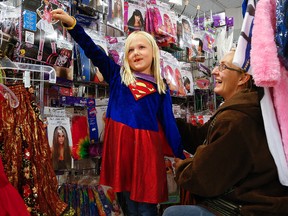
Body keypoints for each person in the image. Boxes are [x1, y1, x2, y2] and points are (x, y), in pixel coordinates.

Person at [51, 9, 185, 216]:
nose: (136, 53)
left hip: (147, 152)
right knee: (127, 204)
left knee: (147, 206)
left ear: (153, 52)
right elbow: (93, 51)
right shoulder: (117, 76)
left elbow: (168, 122)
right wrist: (73, 25)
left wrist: (179, 154)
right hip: (121, 148)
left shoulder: (161, 87)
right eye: (130, 50)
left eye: (141, 47)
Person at [162, 50, 288, 216]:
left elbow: (203, 179)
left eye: (223, 67)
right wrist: (167, 120)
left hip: (248, 208)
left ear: (243, 78)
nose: (214, 71)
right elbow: (202, 137)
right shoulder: (247, 107)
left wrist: (181, 168)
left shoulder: (237, 119)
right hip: (260, 203)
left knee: (173, 213)